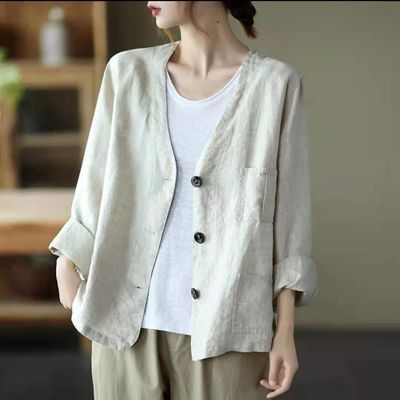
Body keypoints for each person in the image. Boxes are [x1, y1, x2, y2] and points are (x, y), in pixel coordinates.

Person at [49, 1, 319, 399]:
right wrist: (67, 264)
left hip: (228, 330)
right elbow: (96, 181)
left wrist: (285, 332)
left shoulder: (275, 85)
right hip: (124, 323)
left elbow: (289, 218)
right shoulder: (127, 73)